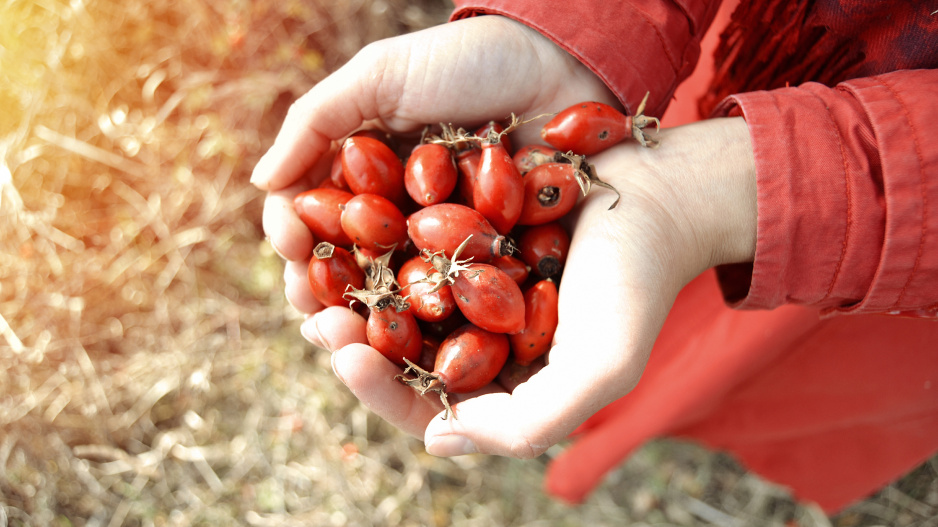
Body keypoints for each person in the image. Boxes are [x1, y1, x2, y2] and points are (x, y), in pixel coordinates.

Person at [251, 0, 938, 513]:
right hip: (718, 57)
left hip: (878, 245)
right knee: (659, 343)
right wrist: (570, 30)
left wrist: (744, 194)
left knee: (765, 365)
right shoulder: (489, 249)